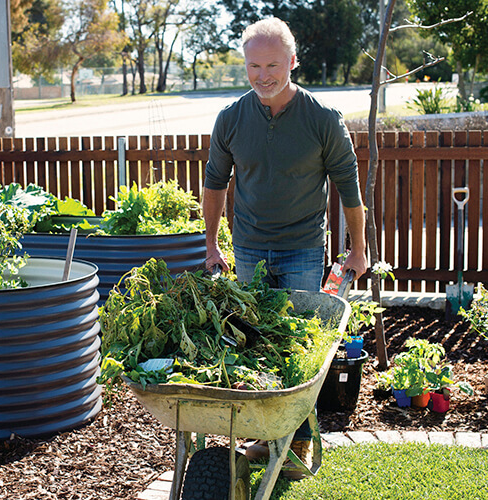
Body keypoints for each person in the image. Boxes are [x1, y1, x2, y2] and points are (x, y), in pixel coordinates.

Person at [202, 17, 368, 480]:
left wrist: (358, 249)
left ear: (293, 62)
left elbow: (349, 188)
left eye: (273, 64)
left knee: (296, 345)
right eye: (254, 65)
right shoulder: (231, 118)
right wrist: (212, 243)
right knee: (255, 340)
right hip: (251, 249)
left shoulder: (322, 119)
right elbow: (215, 184)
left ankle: (293, 442)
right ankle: (264, 435)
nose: (263, 75)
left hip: (302, 247)